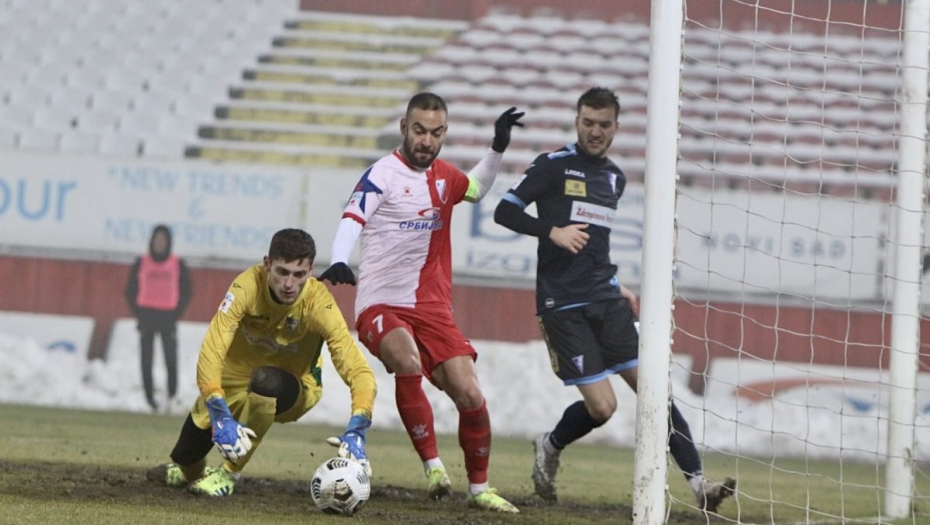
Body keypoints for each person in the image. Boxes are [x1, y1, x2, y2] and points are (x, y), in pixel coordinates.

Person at [493, 87, 737, 513]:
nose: (595, 131)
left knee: (656, 394)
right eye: (588, 122)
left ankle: (702, 488)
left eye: (604, 125)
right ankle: (549, 446)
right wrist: (551, 232)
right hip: (562, 305)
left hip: (606, 298)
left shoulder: (614, 179)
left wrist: (616, 282)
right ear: (577, 121)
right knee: (603, 408)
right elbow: (505, 210)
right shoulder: (552, 167)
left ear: (616, 128)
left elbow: (596, 244)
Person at [320, 92, 524, 513]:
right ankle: (433, 467)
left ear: (443, 133)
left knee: (469, 392)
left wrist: (498, 147)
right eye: (419, 130)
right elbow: (351, 217)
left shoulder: (447, 177)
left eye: (435, 133)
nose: (426, 141)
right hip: (380, 302)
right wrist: (339, 258)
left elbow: (478, 189)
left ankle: (479, 489)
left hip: (432, 306)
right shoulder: (383, 174)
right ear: (403, 128)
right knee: (407, 360)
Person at [147, 228, 377, 497]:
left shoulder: (319, 304)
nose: (289, 284)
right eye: (282, 272)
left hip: (294, 387)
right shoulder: (246, 287)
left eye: (299, 274)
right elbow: (212, 349)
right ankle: (188, 471)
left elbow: (357, 368)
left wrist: (359, 424)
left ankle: (228, 474)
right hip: (232, 382)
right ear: (267, 264)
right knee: (186, 456)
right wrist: (218, 409)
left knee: (264, 382)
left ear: (311, 270)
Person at [124, 224, 192, 412]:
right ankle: (149, 399)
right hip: (146, 314)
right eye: (157, 240)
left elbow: (187, 290)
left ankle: (171, 396)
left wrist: (177, 311)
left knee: (170, 359)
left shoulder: (177, 264)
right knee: (146, 359)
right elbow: (130, 290)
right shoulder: (142, 262)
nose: (159, 244)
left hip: (168, 316)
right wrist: (138, 311)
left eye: (163, 240)